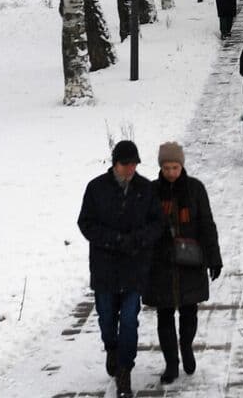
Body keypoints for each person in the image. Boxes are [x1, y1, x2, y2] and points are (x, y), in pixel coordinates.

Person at [77, 140, 164, 398]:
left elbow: (157, 223)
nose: (130, 169)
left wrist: (138, 239)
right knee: (106, 318)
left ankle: (125, 369)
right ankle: (112, 348)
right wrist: (112, 239)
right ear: (115, 163)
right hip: (105, 268)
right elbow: (86, 223)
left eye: (134, 164)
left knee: (128, 320)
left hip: (134, 267)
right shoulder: (96, 188)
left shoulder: (145, 189)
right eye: (126, 164)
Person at [146, 143, 222, 385]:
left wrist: (214, 258)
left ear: (182, 165)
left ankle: (186, 346)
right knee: (164, 314)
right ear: (161, 167)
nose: (171, 172)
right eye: (166, 167)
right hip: (161, 264)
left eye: (175, 167)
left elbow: (207, 225)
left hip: (190, 261)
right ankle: (171, 362)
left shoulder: (195, 189)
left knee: (189, 312)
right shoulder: (151, 191)